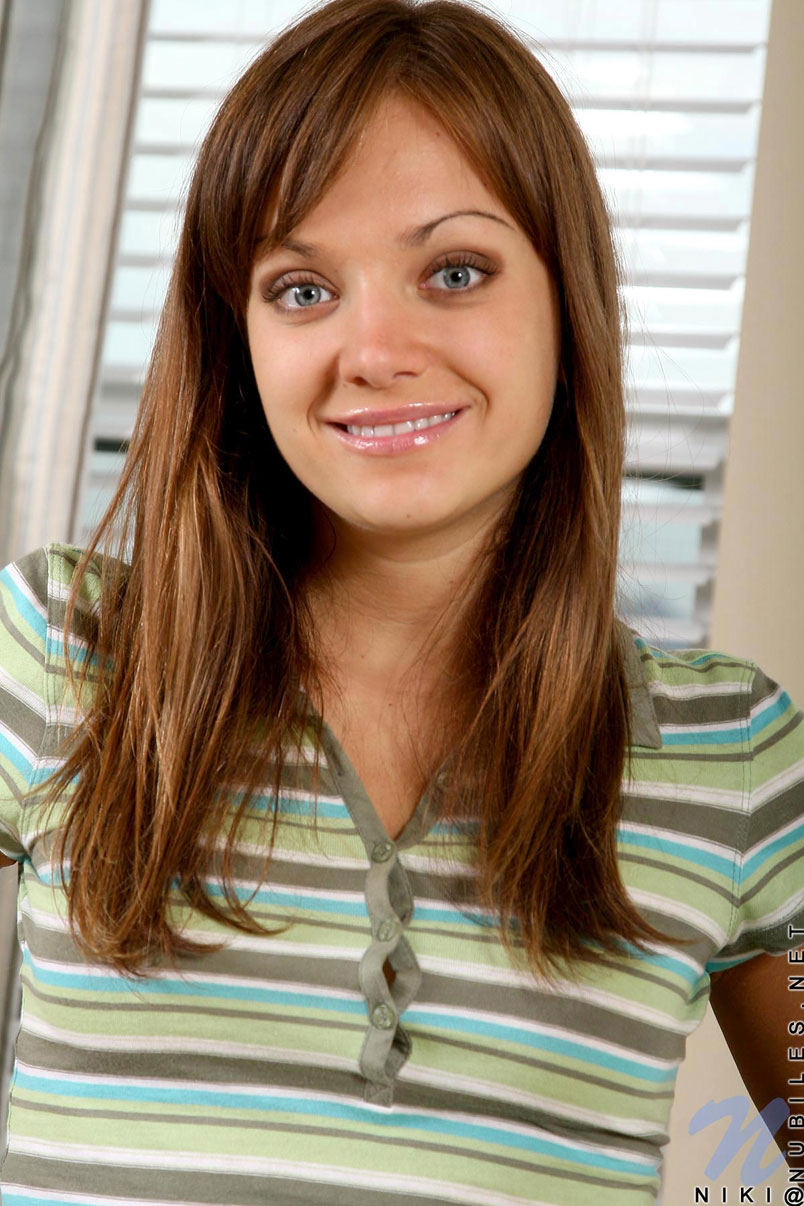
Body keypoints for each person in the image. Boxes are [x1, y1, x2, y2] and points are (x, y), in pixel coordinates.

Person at [0, 0, 802, 1202]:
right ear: (236, 339)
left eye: (455, 272)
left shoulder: (731, 759)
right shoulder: (57, 656)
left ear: (566, 302)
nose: (374, 349)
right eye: (301, 290)